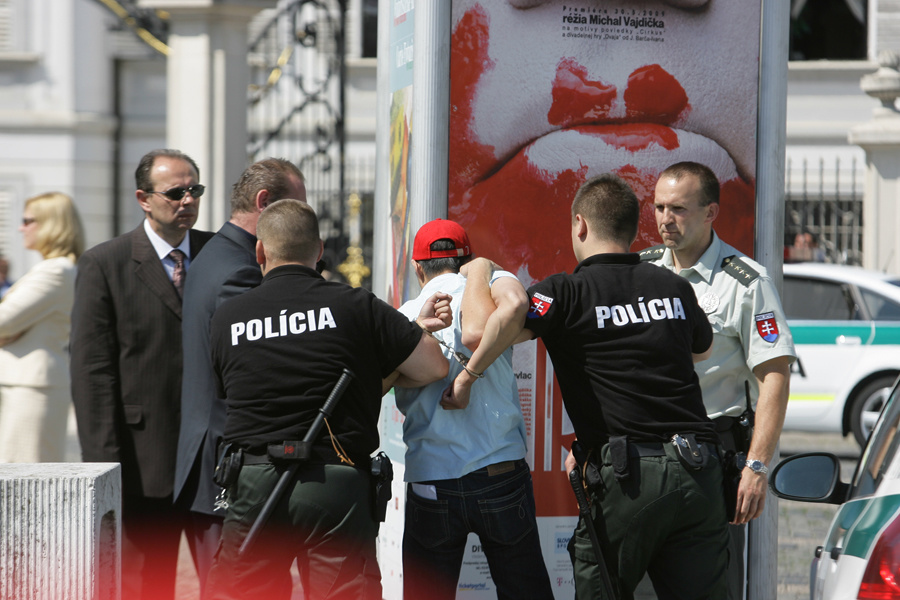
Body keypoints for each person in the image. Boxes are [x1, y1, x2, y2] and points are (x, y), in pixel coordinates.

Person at [451, 174, 729, 599]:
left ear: (580, 225)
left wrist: (479, 271)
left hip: (629, 476)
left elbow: (479, 330)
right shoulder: (673, 286)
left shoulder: (566, 293)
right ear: (634, 229)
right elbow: (702, 350)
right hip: (698, 470)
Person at [204, 199, 451, 600]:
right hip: (335, 484)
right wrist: (377, 374)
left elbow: (227, 390)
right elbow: (434, 368)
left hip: (255, 481)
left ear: (260, 251)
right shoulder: (355, 305)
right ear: (319, 250)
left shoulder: (227, 318)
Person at [643, 161, 796, 599]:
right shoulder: (642, 272)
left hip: (709, 457)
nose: (665, 219)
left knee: (709, 588)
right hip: (643, 454)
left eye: (678, 209)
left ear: (711, 212)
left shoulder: (745, 283)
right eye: (658, 207)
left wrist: (757, 466)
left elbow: (775, 377)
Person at [70, 148, 214, 600]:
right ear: (143, 198)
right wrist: (105, 467)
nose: (188, 200)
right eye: (176, 192)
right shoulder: (105, 264)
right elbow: (93, 373)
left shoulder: (221, 256)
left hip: (214, 462)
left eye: (195, 190)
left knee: (230, 584)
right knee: (144, 588)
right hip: (142, 462)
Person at [394, 218, 554, 600]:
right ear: (467, 258)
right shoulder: (493, 298)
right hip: (499, 472)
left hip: (431, 478)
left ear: (418, 269)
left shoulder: (404, 317)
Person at [174, 157, 307, 591]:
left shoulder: (216, 252)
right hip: (227, 470)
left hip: (211, 463)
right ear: (265, 202)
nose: (304, 222)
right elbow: (261, 373)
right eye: (297, 208)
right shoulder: (242, 270)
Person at [0, 192, 84, 462]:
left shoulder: (55, 271)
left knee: (24, 484)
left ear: (51, 223)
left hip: (30, 387)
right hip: (26, 382)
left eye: (28, 220)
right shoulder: (55, 268)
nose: (20, 227)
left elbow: (3, 321)